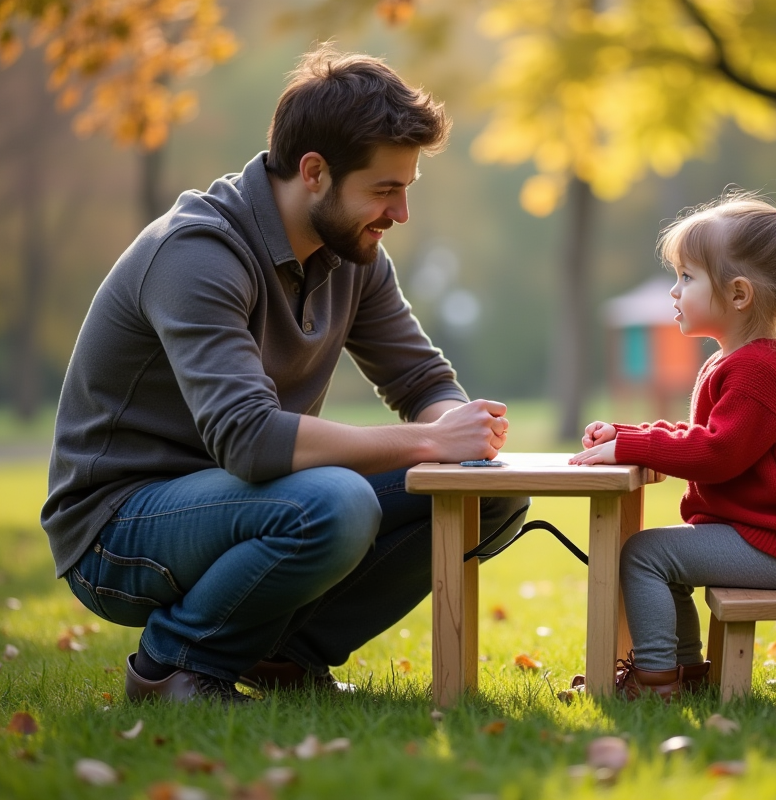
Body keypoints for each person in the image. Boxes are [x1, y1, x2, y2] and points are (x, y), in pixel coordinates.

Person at [41, 45, 528, 704]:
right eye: (384, 191)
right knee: (338, 503)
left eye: (405, 190)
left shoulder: (352, 254)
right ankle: (173, 664)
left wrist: (460, 432)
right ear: (315, 172)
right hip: (119, 526)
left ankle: (287, 659)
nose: (400, 214)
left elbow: (420, 381)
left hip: (249, 499)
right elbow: (250, 440)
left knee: (488, 492)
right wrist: (431, 444)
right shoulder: (197, 253)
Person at [569, 194, 776, 700]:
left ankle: (655, 678)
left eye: (687, 278)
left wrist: (634, 446)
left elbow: (717, 454)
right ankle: (685, 671)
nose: (674, 291)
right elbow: (704, 435)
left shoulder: (759, 370)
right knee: (660, 556)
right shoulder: (741, 362)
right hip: (770, 536)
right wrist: (627, 436)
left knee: (644, 555)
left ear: (739, 294)